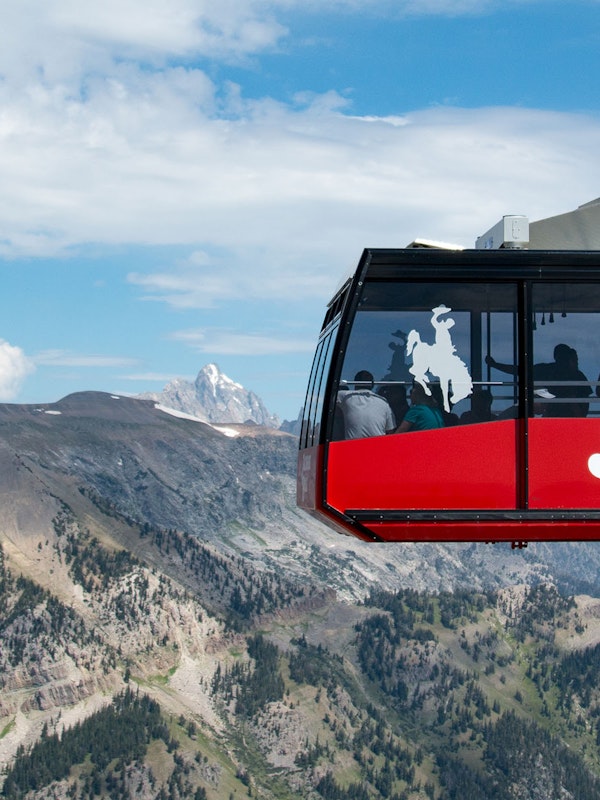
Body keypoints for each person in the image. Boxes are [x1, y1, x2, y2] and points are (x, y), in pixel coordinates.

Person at [486, 344, 591, 417]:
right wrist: (495, 365)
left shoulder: (578, 377)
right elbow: (521, 370)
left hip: (572, 421)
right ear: (556, 358)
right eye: (561, 357)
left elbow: (584, 407)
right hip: (551, 419)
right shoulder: (548, 370)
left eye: (567, 358)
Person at [337, 371, 396, 439]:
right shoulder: (383, 401)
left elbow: (327, 400)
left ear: (355, 383)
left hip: (353, 447)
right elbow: (390, 430)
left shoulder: (345, 396)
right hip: (378, 446)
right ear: (372, 385)